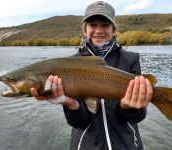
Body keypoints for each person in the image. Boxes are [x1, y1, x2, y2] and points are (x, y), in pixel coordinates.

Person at [31, 1, 153, 150]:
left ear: (113, 29)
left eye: (105, 25)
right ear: (85, 29)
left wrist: (127, 107)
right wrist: (71, 105)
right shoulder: (70, 64)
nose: (98, 30)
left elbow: (138, 116)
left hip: (126, 145)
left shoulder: (130, 60)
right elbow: (79, 123)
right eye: (92, 25)